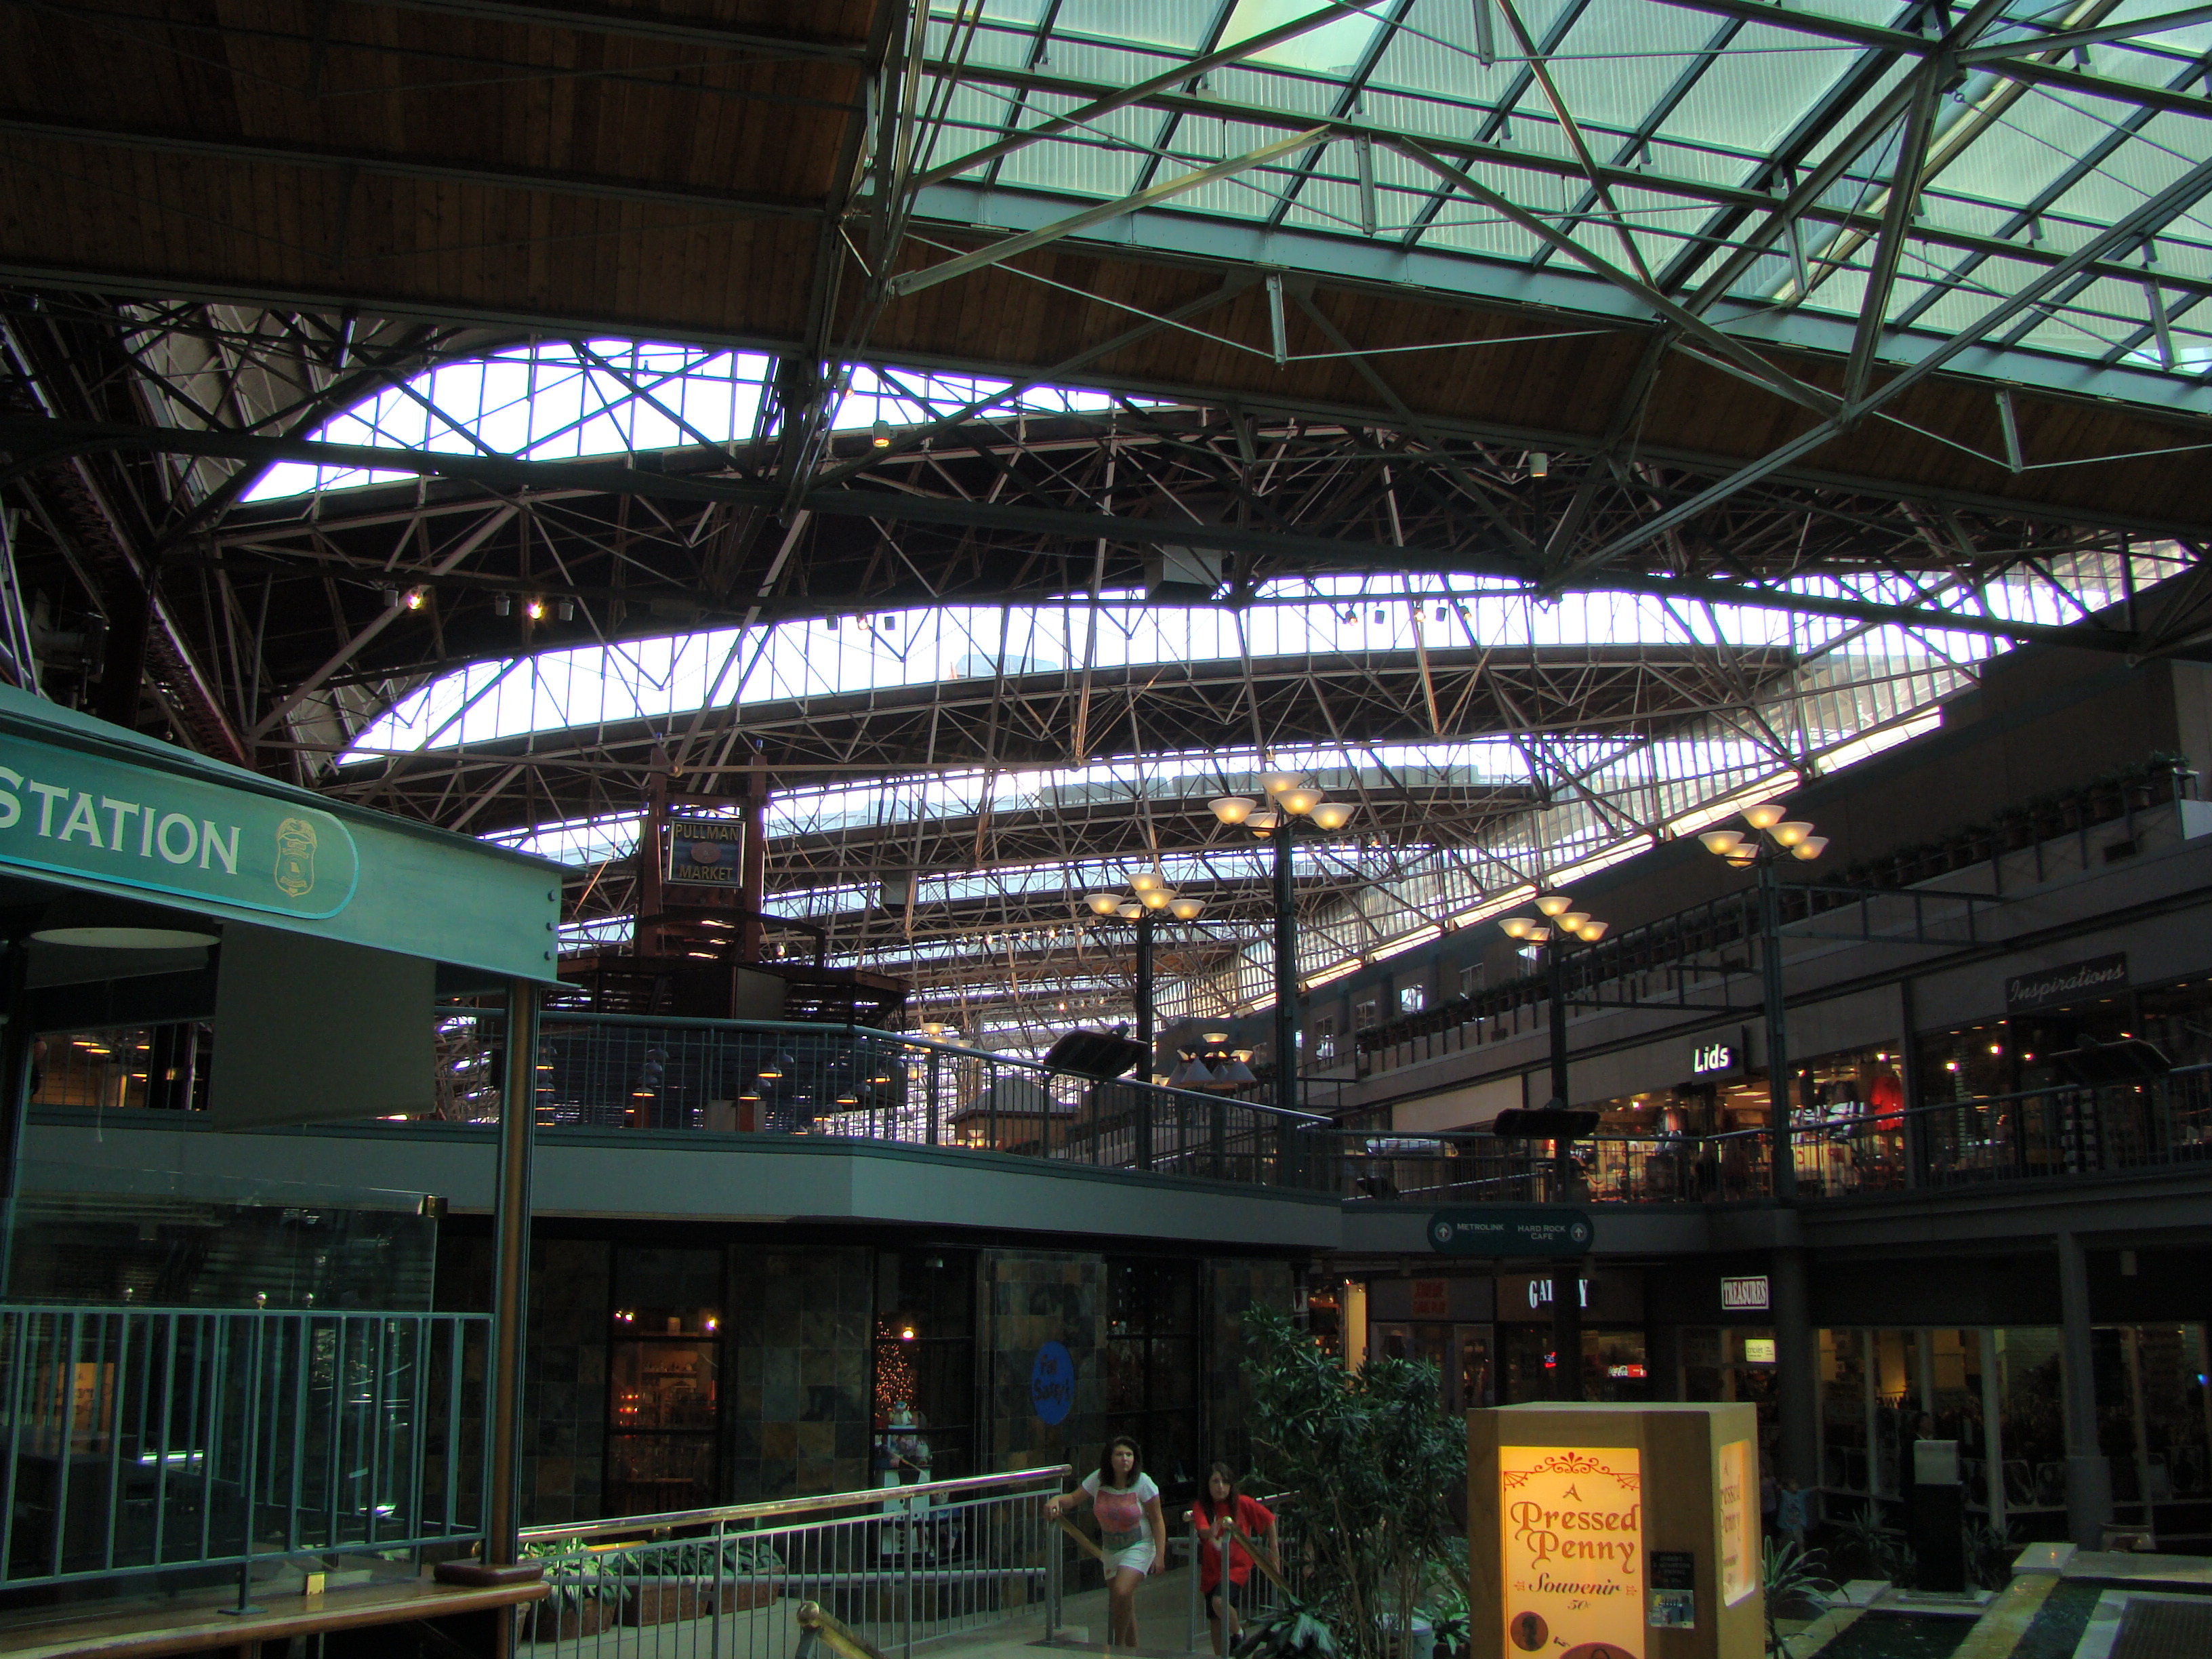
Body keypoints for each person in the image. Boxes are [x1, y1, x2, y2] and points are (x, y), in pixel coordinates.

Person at [1050, 1436, 1166, 1649]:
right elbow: (1073, 1499)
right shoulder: (1098, 1479)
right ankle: (1132, 1649)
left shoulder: (1144, 1483)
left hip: (1139, 1545)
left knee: (1122, 1591)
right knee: (1123, 1601)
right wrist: (1056, 1500)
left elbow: (1157, 1520)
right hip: (1111, 1550)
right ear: (1110, 1458)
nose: (1125, 1459)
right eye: (1119, 1454)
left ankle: (1116, 1647)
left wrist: (1160, 1555)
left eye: (1129, 1455)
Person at [1190, 1464, 1277, 1656]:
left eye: (1225, 1482)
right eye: (1215, 1482)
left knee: (1219, 1601)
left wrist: (1274, 1552)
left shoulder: (1242, 1503)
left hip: (1236, 1567)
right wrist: (1210, 1531)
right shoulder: (1201, 1506)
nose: (1220, 1487)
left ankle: (1238, 1633)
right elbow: (1202, 1529)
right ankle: (1221, 1655)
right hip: (1212, 1568)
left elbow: (1269, 1519)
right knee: (1215, 1619)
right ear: (1207, 1485)